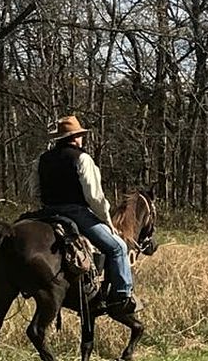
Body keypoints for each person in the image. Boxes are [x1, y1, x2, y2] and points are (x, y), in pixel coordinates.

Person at [27, 115, 136, 312]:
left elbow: (34, 191)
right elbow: (94, 197)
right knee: (118, 247)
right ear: (76, 137)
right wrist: (107, 220)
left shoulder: (41, 160)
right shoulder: (82, 158)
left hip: (47, 212)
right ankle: (123, 296)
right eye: (80, 136)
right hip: (76, 212)